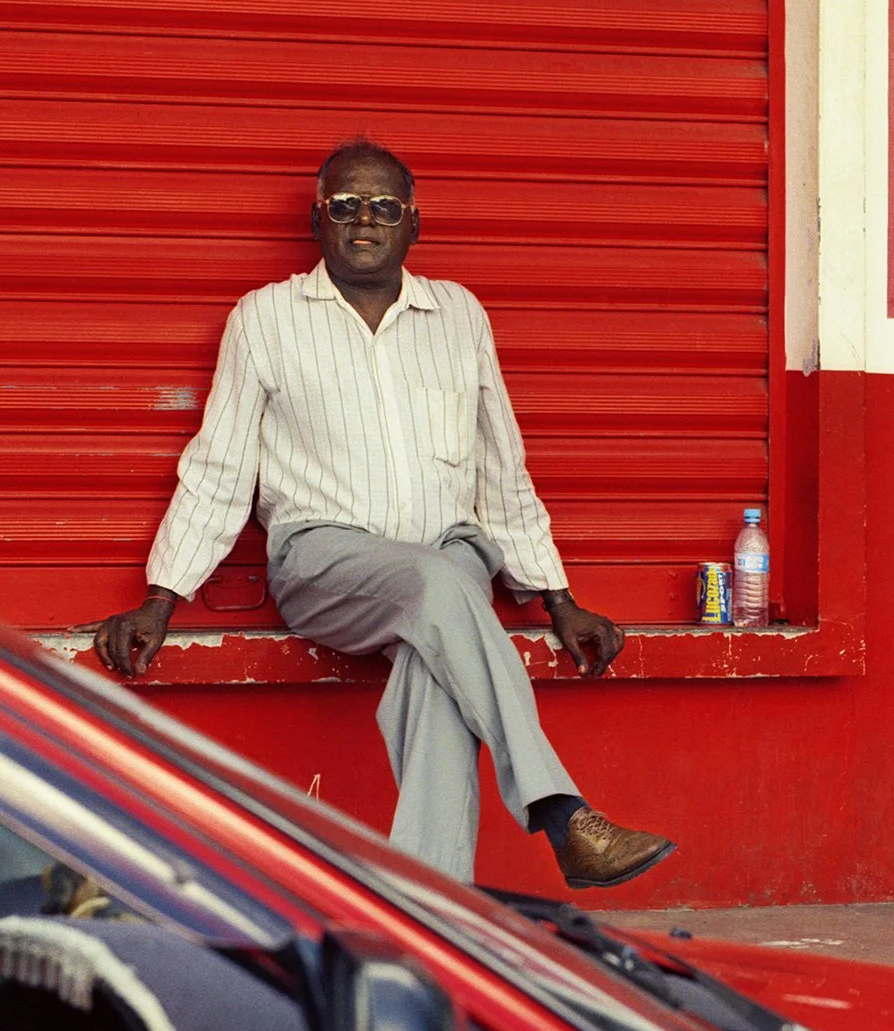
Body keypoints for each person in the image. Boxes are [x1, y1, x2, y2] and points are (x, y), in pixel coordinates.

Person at [93, 140, 674, 890]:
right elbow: (221, 464)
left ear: (413, 226)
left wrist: (557, 598)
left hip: (446, 555)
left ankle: (437, 905)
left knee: (436, 667)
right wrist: (162, 596)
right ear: (316, 221)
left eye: (383, 207)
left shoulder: (459, 316)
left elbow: (501, 463)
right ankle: (562, 813)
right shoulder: (265, 318)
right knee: (440, 588)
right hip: (326, 559)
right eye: (344, 206)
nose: (363, 220)